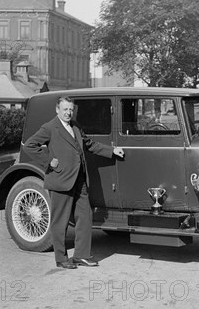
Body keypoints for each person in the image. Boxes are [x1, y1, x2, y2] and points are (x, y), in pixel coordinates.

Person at [23, 97, 125, 269]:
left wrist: (112, 150)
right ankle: (61, 259)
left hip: (80, 180)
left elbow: (89, 144)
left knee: (85, 217)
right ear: (57, 110)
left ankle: (81, 256)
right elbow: (30, 145)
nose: (68, 113)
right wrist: (49, 161)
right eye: (65, 110)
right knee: (60, 222)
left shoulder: (76, 126)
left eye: (71, 109)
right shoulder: (49, 127)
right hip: (61, 181)